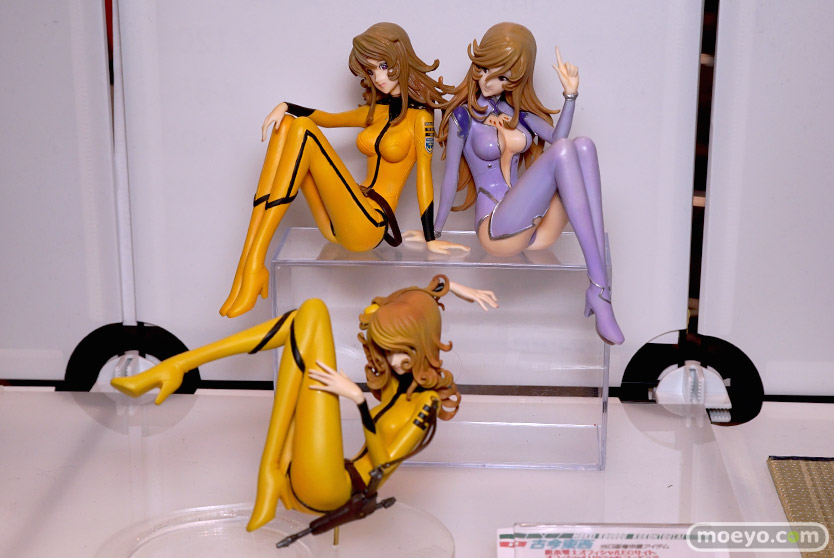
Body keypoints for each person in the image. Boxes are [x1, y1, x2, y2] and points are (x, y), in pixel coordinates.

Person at [111, 275, 497, 532]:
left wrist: (357, 401)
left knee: (310, 314)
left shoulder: (425, 405)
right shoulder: (399, 383)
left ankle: (265, 466)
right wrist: (454, 289)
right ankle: (178, 368)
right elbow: (416, 298)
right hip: (321, 471)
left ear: (422, 347)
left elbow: (381, 467)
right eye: (387, 348)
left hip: (336, 489)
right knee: (306, 317)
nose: (392, 360)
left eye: (402, 351)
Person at [221, 23, 466, 319]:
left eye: (384, 66)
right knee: (287, 124)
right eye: (371, 71)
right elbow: (328, 118)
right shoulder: (375, 112)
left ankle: (254, 264)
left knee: (303, 128)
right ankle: (247, 267)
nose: (378, 78)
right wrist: (285, 105)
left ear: (401, 60)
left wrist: (431, 237)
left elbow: (424, 177)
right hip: (338, 220)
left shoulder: (421, 119)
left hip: (369, 224)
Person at [433, 22, 623, 345]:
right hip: (495, 229)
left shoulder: (516, 114)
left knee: (583, 147)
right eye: (484, 69)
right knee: (565, 150)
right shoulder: (463, 118)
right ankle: (600, 291)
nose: (488, 81)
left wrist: (571, 95)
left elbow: (559, 140)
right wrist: (433, 234)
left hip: (534, 232)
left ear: (516, 79)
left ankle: (602, 289)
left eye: (502, 76)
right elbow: (451, 175)